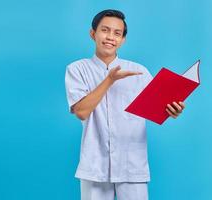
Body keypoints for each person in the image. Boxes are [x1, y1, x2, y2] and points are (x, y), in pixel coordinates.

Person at [65, 9, 185, 200]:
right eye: (105, 30)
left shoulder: (139, 71)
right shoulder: (77, 69)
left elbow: (158, 108)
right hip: (95, 164)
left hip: (132, 163)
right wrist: (109, 80)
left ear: (123, 40)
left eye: (117, 33)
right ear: (93, 33)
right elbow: (81, 111)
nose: (110, 37)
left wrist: (172, 111)